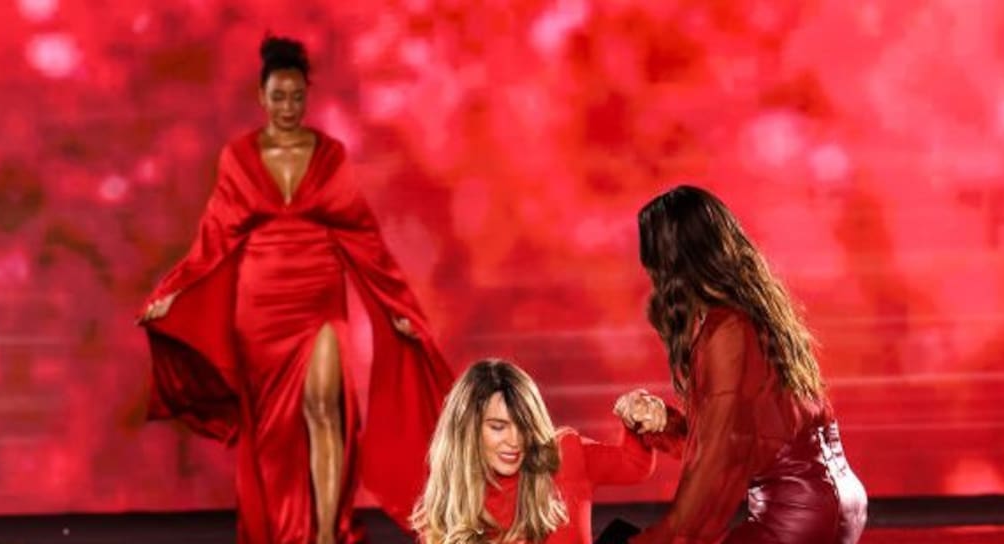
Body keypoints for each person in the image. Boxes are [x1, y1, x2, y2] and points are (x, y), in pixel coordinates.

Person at [137, 36, 453, 544]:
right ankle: (285, 529)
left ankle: (327, 534)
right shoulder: (239, 157)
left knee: (326, 407)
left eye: (297, 96)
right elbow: (215, 236)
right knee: (276, 432)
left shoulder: (330, 155)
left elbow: (362, 234)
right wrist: (174, 290)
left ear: (308, 96)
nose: (288, 107)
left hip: (319, 295)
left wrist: (395, 303)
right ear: (261, 97)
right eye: (278, 96)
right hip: (260, 305)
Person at [631, 185, 867, 543]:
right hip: (831, 500)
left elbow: (716, 458)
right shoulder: (753, 314)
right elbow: (740, 439)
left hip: (796, 510)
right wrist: (666, 424)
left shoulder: (727, 329)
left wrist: (663, 537)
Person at [411, 358, 661, 544]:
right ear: (467, 429)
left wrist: (635, 413)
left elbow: (635, 465)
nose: (515, 441)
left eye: (523, 425)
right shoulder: (449, 503)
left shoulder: (563, 454)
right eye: (498, 427)